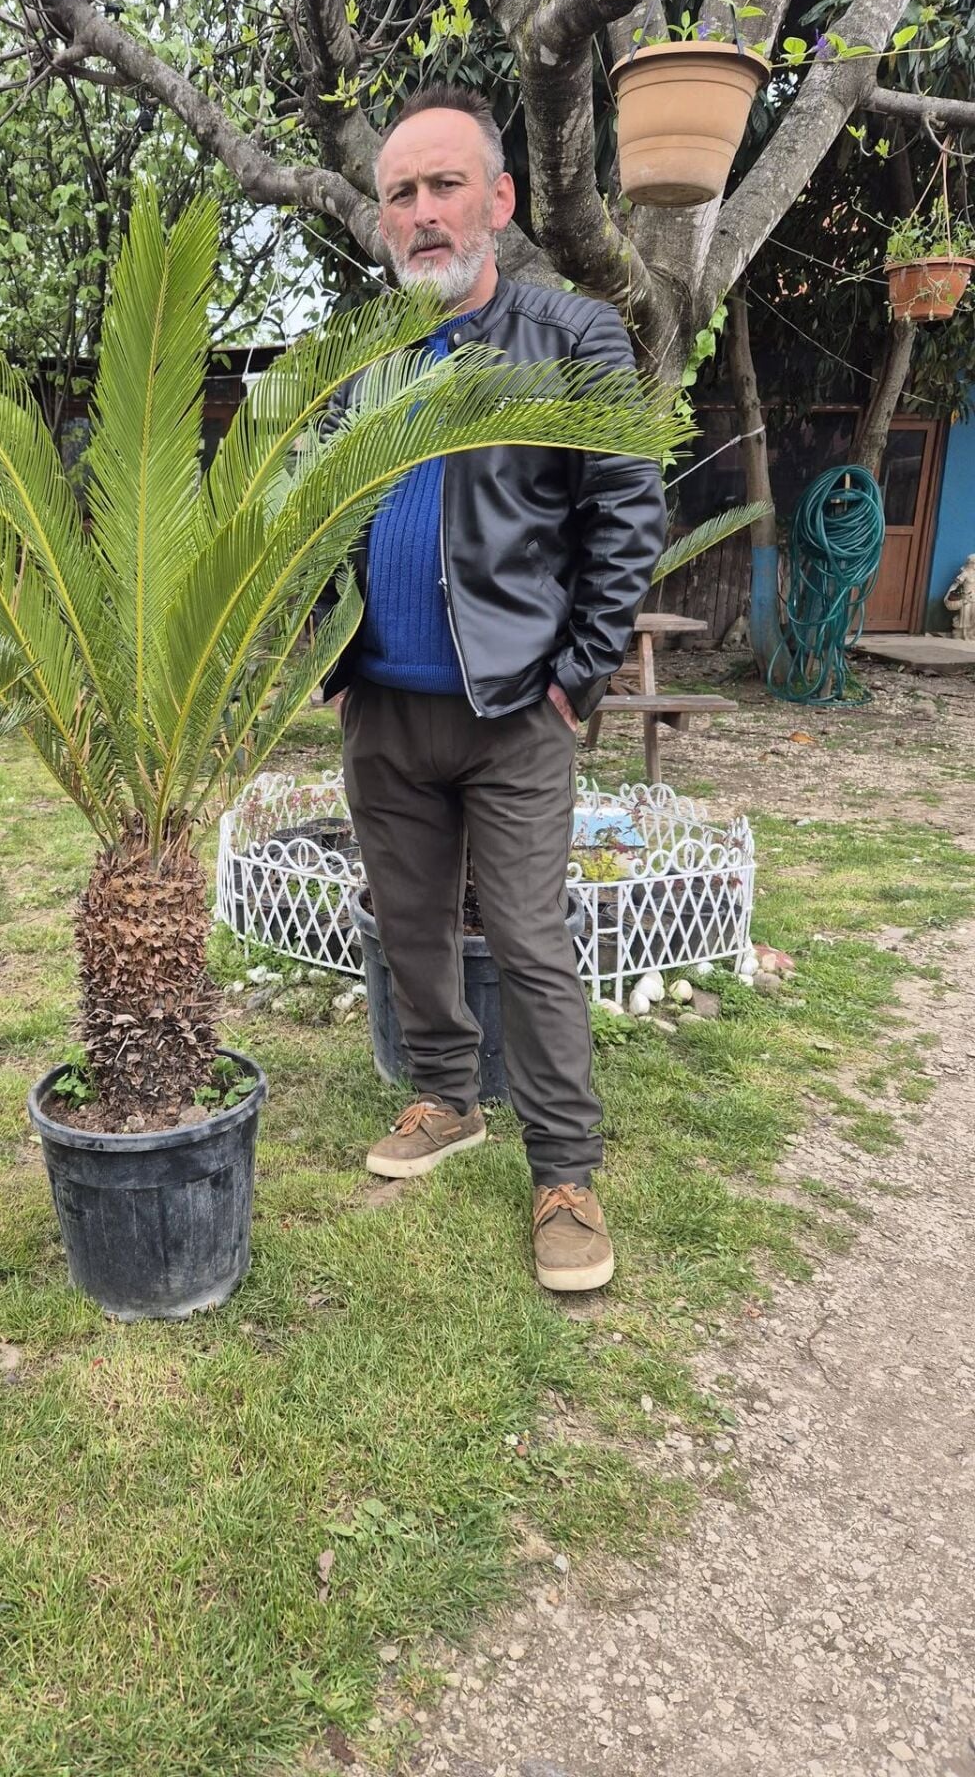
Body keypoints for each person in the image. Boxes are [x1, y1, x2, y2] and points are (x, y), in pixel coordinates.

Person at [320, 84, 666, 1293]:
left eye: (443, 185)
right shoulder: (367, 363)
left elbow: (627, 511)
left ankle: (566, 1172)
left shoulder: (573, 336)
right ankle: (446, 1098)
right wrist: (328, 646)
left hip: (517, 706)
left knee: (526, 936)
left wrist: (578, 679)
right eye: (400, 195)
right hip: (385, 703)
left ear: (500, 200)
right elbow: (321, 513)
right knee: (408, 926)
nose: (421, 213)